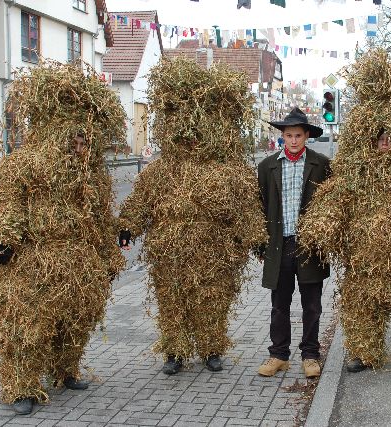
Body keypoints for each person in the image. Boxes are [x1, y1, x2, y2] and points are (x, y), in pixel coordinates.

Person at [0, 62, 126, 415]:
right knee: (28, 326)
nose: (81, 144)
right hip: (35, 260)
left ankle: (66, 370)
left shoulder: (93, 175)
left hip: (79, 261)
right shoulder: (26, 164)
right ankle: (22, 386)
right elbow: (6, 198)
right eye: (76, 137)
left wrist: (109, 255)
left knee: (76, 319)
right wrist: (3, 236)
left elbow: (100, 218)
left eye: (85, 138)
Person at [299, 50, 391, 379]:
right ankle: (364, 351)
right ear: (367, 135)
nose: (385, 142)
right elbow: (334, 198)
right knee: (363, 305)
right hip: (364, 258)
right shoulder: (355, 169)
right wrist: (321, 225)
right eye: (379, 136)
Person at [118, 58, 266, 377]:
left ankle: (211, 349)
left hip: (216, 254)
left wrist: (257, 241)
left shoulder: (231, 171)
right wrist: (128, 227)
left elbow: (246, 208)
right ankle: (175, 352)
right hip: (169, 255)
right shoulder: (160, 170)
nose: (193, 139)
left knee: (213, 302)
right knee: (173, 304)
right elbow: (140, 201)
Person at [257, 107, 331, 379]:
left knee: (312, 304)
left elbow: (331, 206)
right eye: (289, 135)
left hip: (309, 245)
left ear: (307, 136)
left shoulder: (321, 165)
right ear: (282, 137)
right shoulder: (267, 166)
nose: (294, 140)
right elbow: (260, 207)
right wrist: (260, 245)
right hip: (280, 244)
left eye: (298, 135)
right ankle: (278, 354)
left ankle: (310, 354)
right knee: (280, 303)